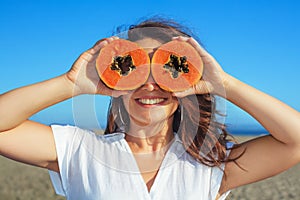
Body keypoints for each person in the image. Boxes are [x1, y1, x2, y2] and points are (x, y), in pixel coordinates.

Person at [0, 17, 300, 200]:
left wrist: (224, 83)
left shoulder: (210, 165)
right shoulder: (80, 150)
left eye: (168, 68)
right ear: (114, 84)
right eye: (135, 68)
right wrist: (70, 84)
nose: (150, 84)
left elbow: (295, 140)